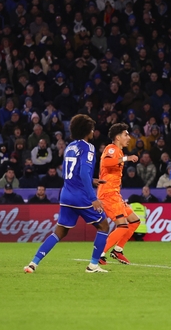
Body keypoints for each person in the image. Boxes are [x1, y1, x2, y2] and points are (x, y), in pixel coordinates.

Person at [24, 115, 111, 273]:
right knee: (104, 226)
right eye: (92, 128)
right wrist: (93, 198)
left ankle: (33, 263)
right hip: (81, 196)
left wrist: (91, 180)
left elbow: (69, 172)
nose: (93, 131)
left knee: (59, 232)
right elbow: (83, 173)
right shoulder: (88, 147)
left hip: (66, 194)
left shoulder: (70, 146)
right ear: (87, 130)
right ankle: (93, 265)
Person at [97, 123, 141, 265]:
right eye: (126, 135)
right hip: (108, 194)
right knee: (122, 225)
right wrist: (127, 158)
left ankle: (118, 250)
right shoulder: (111, 149)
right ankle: (100, 254)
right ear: (117, 137)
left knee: (134, 221)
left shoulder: (119, 151)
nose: (128, 137)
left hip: (115, 194)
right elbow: (107, 162)